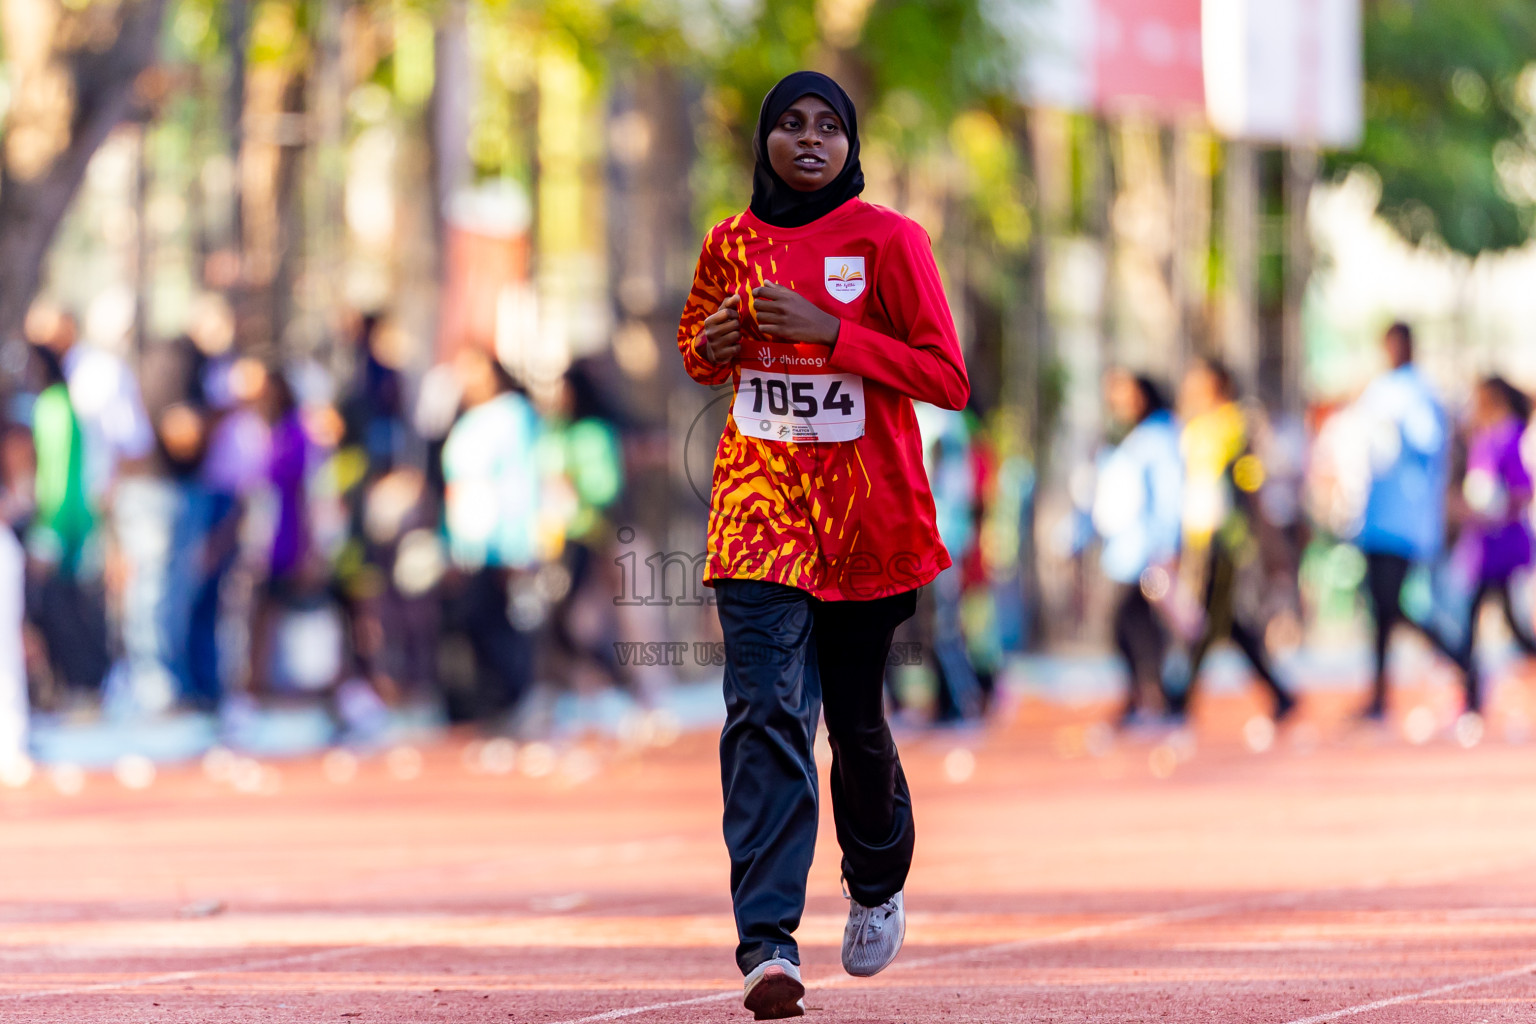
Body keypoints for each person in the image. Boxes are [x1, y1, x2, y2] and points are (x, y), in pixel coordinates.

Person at [677, 71, 969, 1019]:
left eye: (829, 127)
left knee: (853, 722)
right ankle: (767, 943)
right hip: (757, 513)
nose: (810, 140)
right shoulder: (729, 243)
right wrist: (719, 339)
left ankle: (876, 878)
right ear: (764, 139)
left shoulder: (891, 241)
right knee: (765, 710)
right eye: (791, 124)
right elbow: (695, 351)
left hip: (866, 519)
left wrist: (834, 334)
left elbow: (947, 376)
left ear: (851, 145)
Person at [1164, 357, 1296, 722]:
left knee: (1206, 618)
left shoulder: (1235, 425)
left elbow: (1249, 482)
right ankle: (1278, 691)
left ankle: (1179, 696)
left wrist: (1266, 536)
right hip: (1199, 536)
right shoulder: (1193, 427)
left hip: (1225, 537)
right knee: (1225, 621)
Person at [1350, 323, 1457, 721]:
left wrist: (1398, 429)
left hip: (1404, 520)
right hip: (1375, 517)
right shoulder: (1380, 389)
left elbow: (1430, 444)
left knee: (1391, 606)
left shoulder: (1419, 391)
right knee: (1381, 610)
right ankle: (1380, 693)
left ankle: (1458, 655)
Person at [440, 347, 546, 723]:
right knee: (475, 621)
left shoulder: (514, 415)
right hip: (469, 544)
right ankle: (493, 703)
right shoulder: (464, 420)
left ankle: (519, 699)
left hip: (501, 542)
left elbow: (522, 480)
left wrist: (518, 544)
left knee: (506, 623)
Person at [1091, 370, 1183, 726]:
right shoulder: (1137, 437)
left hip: (1143, 553)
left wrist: (1165, 546)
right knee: (1135, 626)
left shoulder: (1158, 438)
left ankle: (1150, 697)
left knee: (1128, 624)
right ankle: (1148, 697)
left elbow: (1167, 495)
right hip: (1127, 551)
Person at [1447, 376, 1536, 714]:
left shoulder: (1509, 436)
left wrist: (1495, 510)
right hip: (1484, 546)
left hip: (1501, 547)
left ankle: (1471, 696)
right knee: (1501, 622)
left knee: (1487, 621)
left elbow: (1522, 491)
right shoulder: (1484, 436)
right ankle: (1471, 695)